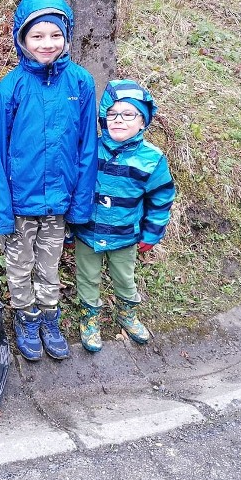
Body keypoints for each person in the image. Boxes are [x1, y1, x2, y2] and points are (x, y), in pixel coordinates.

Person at [0, 0, 98, 361]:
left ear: (67, 35)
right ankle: (26, 317)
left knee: (49, 266)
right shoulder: (9, 88)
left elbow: (86, 148)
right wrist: (0, 212)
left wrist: (80, 206)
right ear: (22, 38)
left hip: (58, 203)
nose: (47, 44)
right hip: (19, 204)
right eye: (37, 36)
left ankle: (49, 316)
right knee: (20, 266)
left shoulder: (80, 83)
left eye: (55, 35)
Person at [72, 79, 176, 352]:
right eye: (112, 114)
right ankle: (89, 319)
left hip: (124, 236)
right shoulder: (88, 150)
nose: (119, 120)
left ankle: (126, 314)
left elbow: (161, 198)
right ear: (103, 119)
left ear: (143, 121)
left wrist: (152, 233)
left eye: (128, 114)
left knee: (124, 278)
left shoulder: (152, 159)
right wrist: (70, 229)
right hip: (88, 232)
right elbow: (74, 191)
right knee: (87, 278)